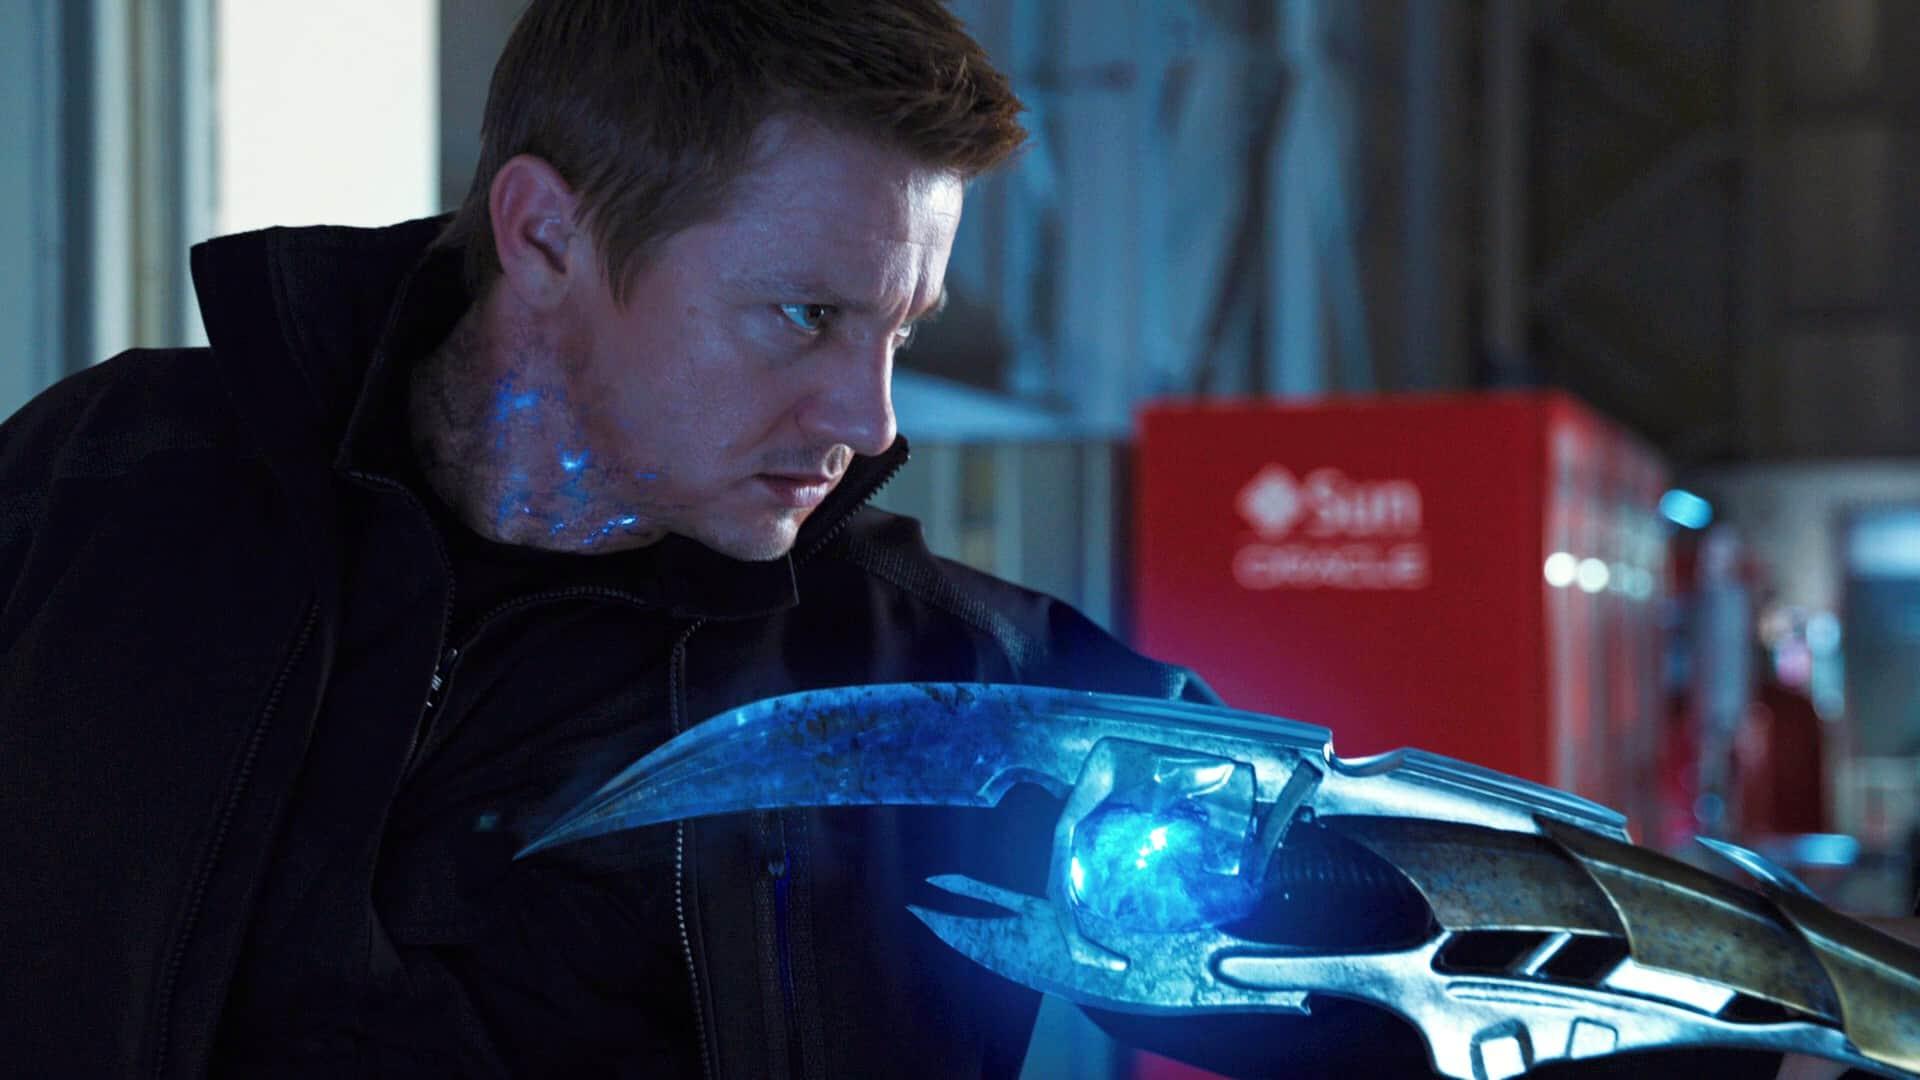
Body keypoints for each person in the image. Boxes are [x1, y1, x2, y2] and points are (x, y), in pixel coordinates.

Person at [0, 2, 1209, 1075]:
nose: (871, 417)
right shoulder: (105, 477)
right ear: (544, 235)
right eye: (807, 314)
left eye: (899, 333)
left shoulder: (945, 696)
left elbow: (1324, 953)